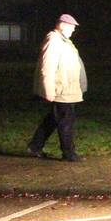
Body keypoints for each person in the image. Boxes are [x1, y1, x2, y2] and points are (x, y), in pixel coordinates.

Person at [27, 14, 87, 162]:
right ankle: (68, 153)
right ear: (62, 25)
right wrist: (48, 90)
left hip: (67, 88)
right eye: (72, 27)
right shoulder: (54, 41)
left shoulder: (64, 42)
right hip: (62, 89)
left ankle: (35, 146)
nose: (73, 30)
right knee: (66, 121)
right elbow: (47, 67)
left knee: (54, 118)